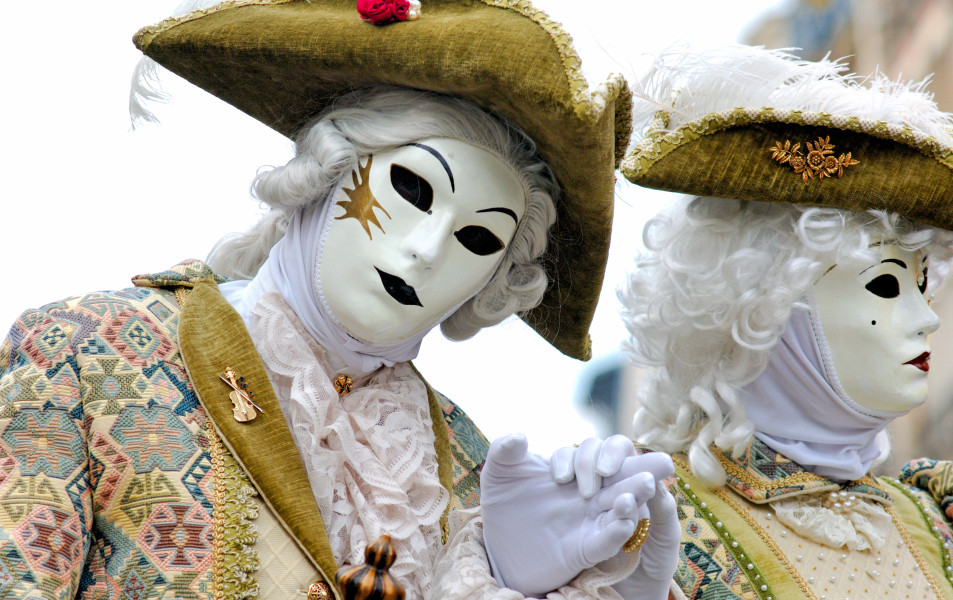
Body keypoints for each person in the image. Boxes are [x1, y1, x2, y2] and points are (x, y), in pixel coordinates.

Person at [0, 1, 680, 599]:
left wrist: (524, 583)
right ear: (326, 173)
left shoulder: (475, 474)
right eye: (413, 190)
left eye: (478, 238)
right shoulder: (88, 353)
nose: (427, 249)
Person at [619, 46, 953, 599]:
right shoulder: (649, 518)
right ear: (767, 305)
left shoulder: (938, 525)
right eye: (886, 284)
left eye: (922, 286)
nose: (927, 319)